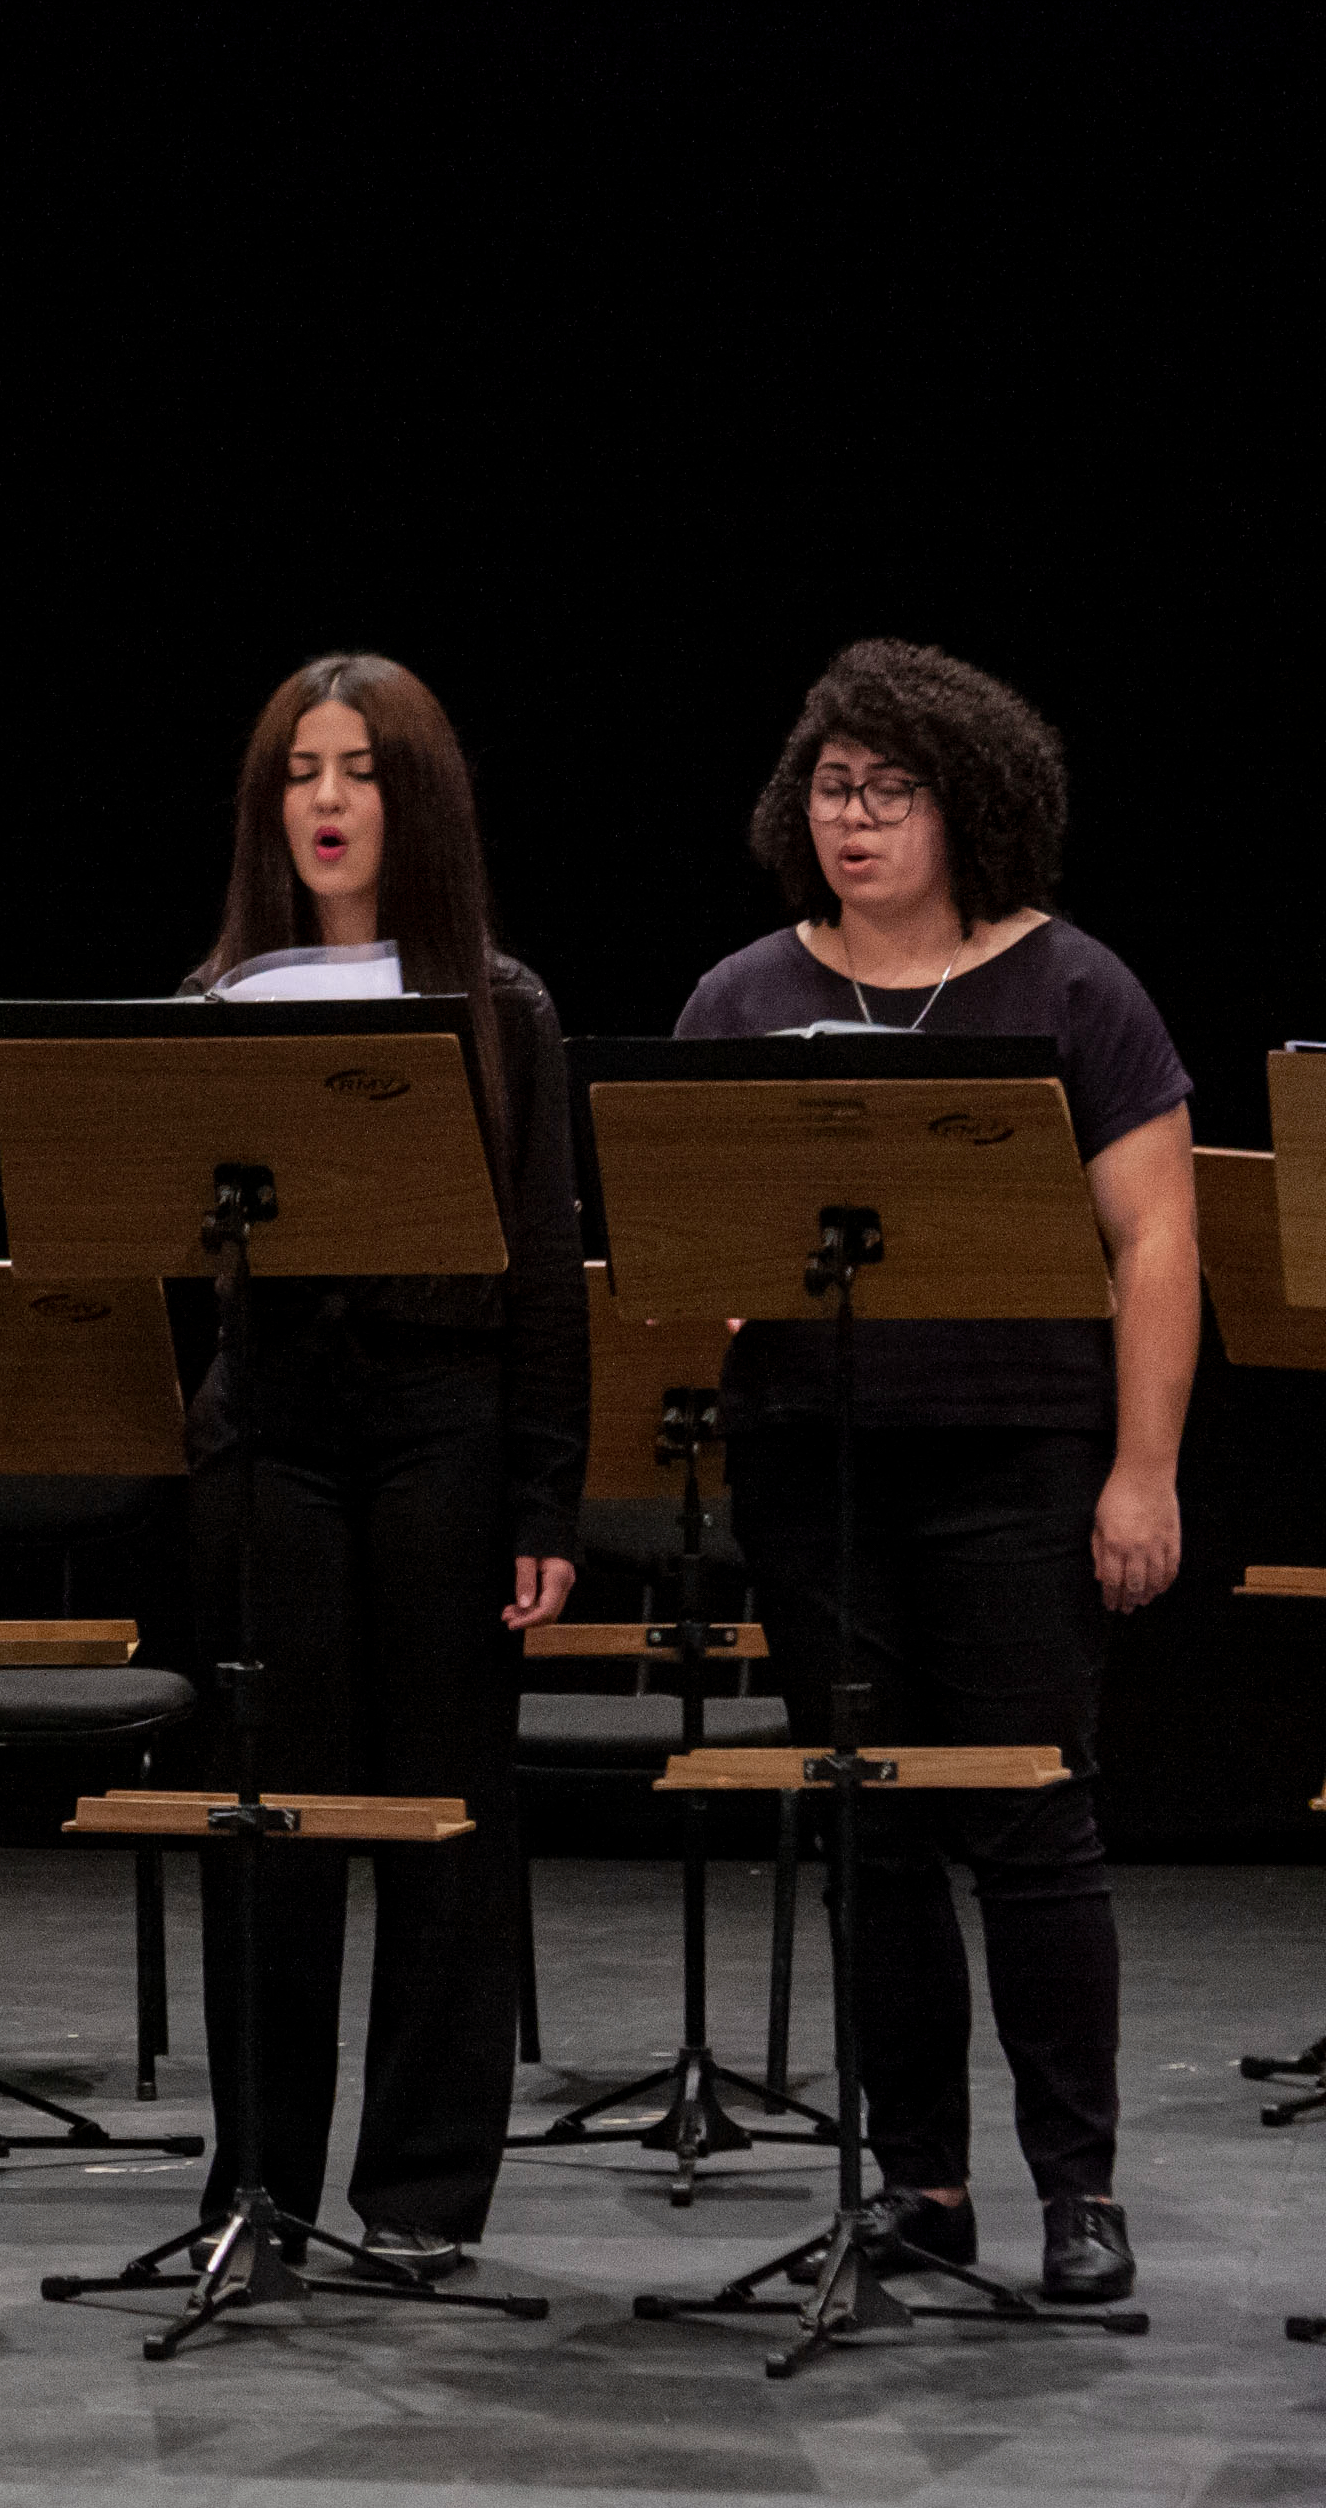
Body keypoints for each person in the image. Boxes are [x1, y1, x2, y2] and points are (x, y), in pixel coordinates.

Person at [676, 637, 1191, 2307]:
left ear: (971, 803)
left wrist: (1145, 1471)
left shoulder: (1075, 989)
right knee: (874, 1837)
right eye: (834, 787)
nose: (858, 818)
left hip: (1017, 1461)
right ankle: (923, 2183)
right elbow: (690, 1251)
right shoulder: (743, 998)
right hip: (813, 1472)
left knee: (1032, 1825)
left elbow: (1160, 1242)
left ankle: (1079, 2191)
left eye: (893, 789)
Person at [176, 653, 584, 2279]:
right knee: (263, 1817)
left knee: (442, 1826)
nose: (328, 801)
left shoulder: (504, 1002)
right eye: (300, 771)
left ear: (416, 801)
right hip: (269, 1436)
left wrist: (547, 1493)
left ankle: (419, 2200)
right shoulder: (217, 1005)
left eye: (359, 771)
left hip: (444, 1433)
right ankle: (254, 2190)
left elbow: (546, 1265)